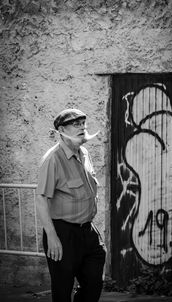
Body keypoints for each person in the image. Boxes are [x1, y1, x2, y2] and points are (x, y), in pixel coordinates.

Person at [36, 108, 106, 302]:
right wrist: (52, 236)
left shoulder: (83, 152)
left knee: (93, 281)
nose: (82, 127)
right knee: (62, 288)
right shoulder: (53, 159)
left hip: (87, 231)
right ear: (61, 129)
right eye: (76, 124)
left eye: (83, 123)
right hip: (63, 233)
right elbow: (41, 199)